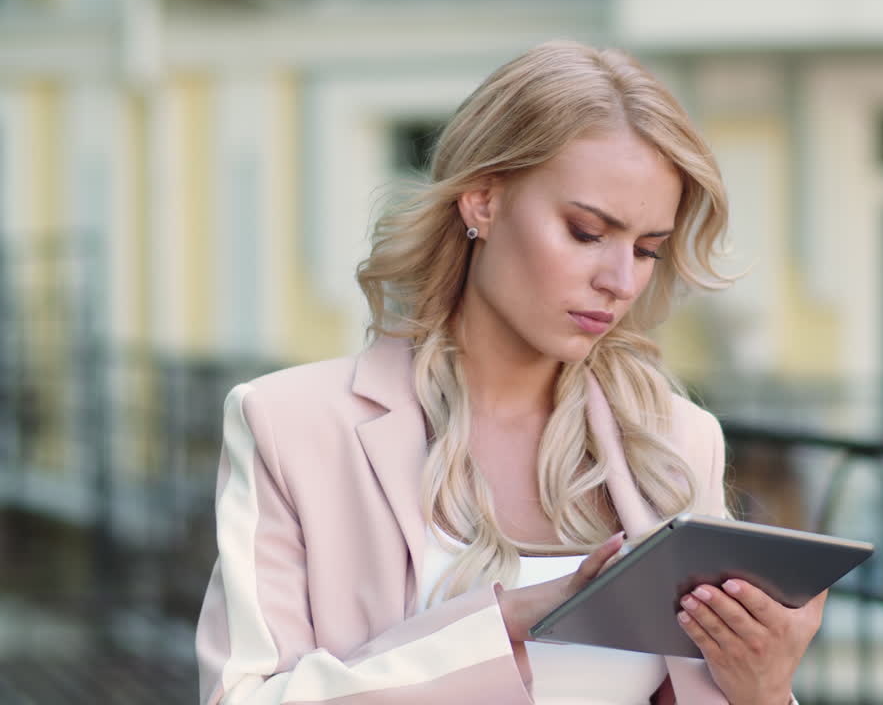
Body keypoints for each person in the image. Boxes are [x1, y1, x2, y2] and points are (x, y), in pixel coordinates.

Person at [194, 40, 827, 705]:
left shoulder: (678, 441)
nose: (619, 281)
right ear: (482, 201)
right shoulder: (292, 425)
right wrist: (509, 624)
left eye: (646, 250)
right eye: (586, 232)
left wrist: (761, 688)